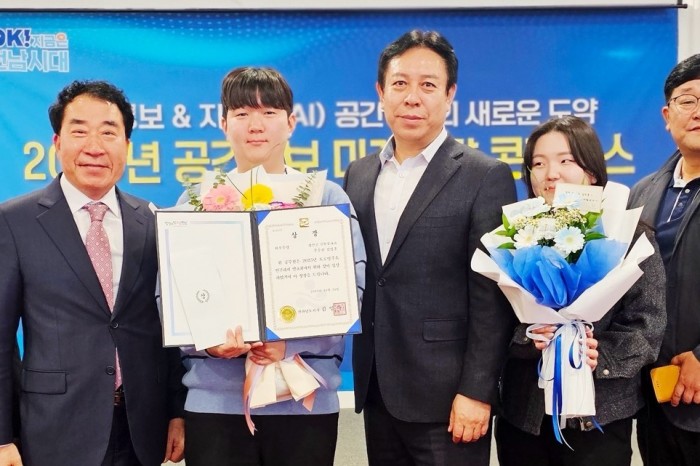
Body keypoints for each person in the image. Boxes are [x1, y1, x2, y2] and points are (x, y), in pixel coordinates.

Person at [342, 30, 517, 465]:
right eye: (400, 84)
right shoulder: (358, 174)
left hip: (450, 398)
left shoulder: (484, 175)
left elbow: (492, 298)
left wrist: (477, 390)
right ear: (381, 92)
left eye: (428, 85)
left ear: (450, 94)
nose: (412, 98)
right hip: (378, 388)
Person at [178, 66, 366, 466]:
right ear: (223, 124)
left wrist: (289, 342)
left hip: (304, 398)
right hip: (215, 402)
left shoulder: (326, 199)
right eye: (242, 113)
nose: (255, 125)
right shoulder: (196, 202)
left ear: (291, 122)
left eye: (269, 112)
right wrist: (209, 342)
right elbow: (172, 295)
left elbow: (353, 291)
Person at [0, 80, 187, 466]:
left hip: (141, 429)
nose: (94, 147)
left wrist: (176, 412)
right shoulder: (15, 221)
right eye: (80, 131)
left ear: (127, 145)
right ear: (57, 143)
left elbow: (167, 328)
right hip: (53, 430)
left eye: (108, 132)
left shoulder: (151, 220)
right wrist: (2, 438)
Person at [495, 115, 666, 466]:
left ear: (592, 170)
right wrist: (528, 337)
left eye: (565, 160)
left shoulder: (629, 235)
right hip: (524, 415)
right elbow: (491, 322)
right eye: (538, 164)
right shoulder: (515, 238)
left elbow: (648, 323)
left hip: (600, 417)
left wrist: (600, 356)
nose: (550, 174)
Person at [629, 53, 700, 466]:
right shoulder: (642, 193)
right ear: (666, 115)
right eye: (687, 100)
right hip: (655, 397)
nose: (697, 111)